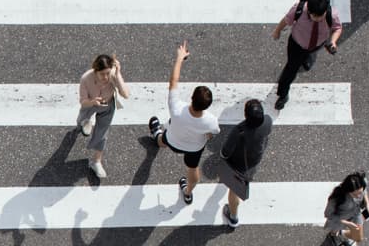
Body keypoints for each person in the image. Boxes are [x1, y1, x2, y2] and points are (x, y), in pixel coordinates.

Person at [146, 42, 218, 205]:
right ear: (207, 106)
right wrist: (207, 134)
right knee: (193, 170)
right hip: (194, 149)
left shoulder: (177, 108)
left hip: (173, 139)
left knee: (162, 139)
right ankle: (187, 192)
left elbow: (173, 81)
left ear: (192, 98)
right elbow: (213, 133)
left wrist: (179, 58)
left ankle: (156, 136)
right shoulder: (211, 120)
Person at [272, 0, 343, 111]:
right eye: (315, 16)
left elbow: (337, 28)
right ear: (309, 11)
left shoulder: (332, 14)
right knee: (290, 70)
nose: (319, 19)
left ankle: (302, 62)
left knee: (307, 64)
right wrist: (277, 31)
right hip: (297, 45)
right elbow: (286, 21)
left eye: (321, 16)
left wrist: (333, 41)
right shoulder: (299, 10)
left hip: (317, 44)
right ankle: (283, 94)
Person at [218, 98, 272, 229]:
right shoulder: (268, 121)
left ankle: (233, 217)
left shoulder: (239, 131)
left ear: (246, 116)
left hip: (238, 164)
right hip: (254, 160)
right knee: (239, 185)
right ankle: (232, 214)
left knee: (234, 191)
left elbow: (225, 152)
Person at [76, 54, 130, 181]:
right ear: (95, 71)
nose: (106, 77)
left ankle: (96, 161)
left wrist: (118, 75)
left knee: (102, 133)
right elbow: (83, 102)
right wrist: (93, 101)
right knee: (80, 123)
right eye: (102, 74)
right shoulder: (85, 79)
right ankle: (85, 123)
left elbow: (126, 94)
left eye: (107, 73)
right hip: (91, 104)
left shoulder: (112, 75)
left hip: (107, 105)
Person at [323, 172, 369, 246]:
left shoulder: (362, 183)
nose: (359, 196)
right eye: (355, 194)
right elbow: (328, 214)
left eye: (360, 192)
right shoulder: (337, 198)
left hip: (357, 213)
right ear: (348, 191)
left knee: (359, 238)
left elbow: (365, 192)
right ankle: (334, 236)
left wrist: (367, 205)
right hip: (340, 219)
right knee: (335, 231)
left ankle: (342, 234)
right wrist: (347, 223)